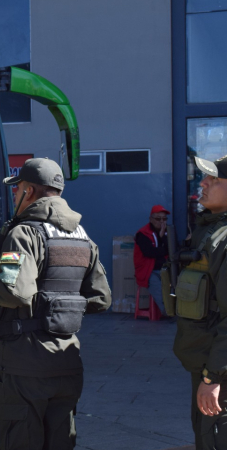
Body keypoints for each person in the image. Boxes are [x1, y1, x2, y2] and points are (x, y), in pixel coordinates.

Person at [0, 158, 111, 450]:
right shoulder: (81, 236)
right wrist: (59, 311)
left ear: (29, 191)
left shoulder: (23, 234)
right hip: (67, 364)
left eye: (17, 190)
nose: (15, 196)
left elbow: (15, 293)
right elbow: (101, 299)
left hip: (23, 366)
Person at [172, 155, 227, 449]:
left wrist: (214, 377)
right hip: (209, 367)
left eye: (215, 180)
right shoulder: (211, 232)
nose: (203, 183)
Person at [134, 205, 171, 317]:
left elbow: (174, 249)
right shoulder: (143, 234)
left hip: (165, 269)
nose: (161, 221)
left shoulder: (168, 232)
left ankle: (178, 310)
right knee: (159, 288)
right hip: (148, 271)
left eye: (164, 219)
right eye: (158, 219)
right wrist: (165, 248)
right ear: (151, 219)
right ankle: (168, 312)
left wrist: (162, 237)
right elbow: (150, 252)